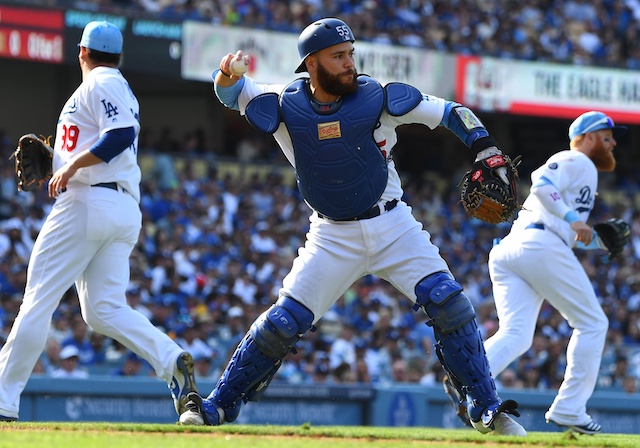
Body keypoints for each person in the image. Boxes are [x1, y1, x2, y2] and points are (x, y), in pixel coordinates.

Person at [179, 17, 526, 436]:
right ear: (311, 63)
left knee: (449, 303)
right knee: (283, 323)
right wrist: (225, 73)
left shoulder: (378, 98)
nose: (349, 63)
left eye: (350, 54)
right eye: (338, 56)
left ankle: (485, 407)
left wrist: (486, 149)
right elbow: (231, 93)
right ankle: (216, 406)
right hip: (330, 234)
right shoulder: (283, 103)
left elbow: (453, 112)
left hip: (393, 223)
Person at [0, 21, 198, 423]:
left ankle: (2, 399)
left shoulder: (100, 83)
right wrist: (58, 158)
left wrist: (70, 165)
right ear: (118, 54)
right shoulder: (111, 85)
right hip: (120, 209)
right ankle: (170, 358)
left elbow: (121, 133)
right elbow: (107, 135)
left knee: (37, 301)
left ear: (81, 53)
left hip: (88, 203)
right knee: (102, 310)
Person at [481, 111, 627, 435]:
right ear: (589, 138)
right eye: (607, 137)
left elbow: (567, 228)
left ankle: (470, 385)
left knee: (516, 335)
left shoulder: (583, 173)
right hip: (538, 245)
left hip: (515, 249)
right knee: (593, 322)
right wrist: (575, 219)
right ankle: (570, 409)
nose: (613, 142)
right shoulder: (578, 160)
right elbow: (542, 183)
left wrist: (597, 238)